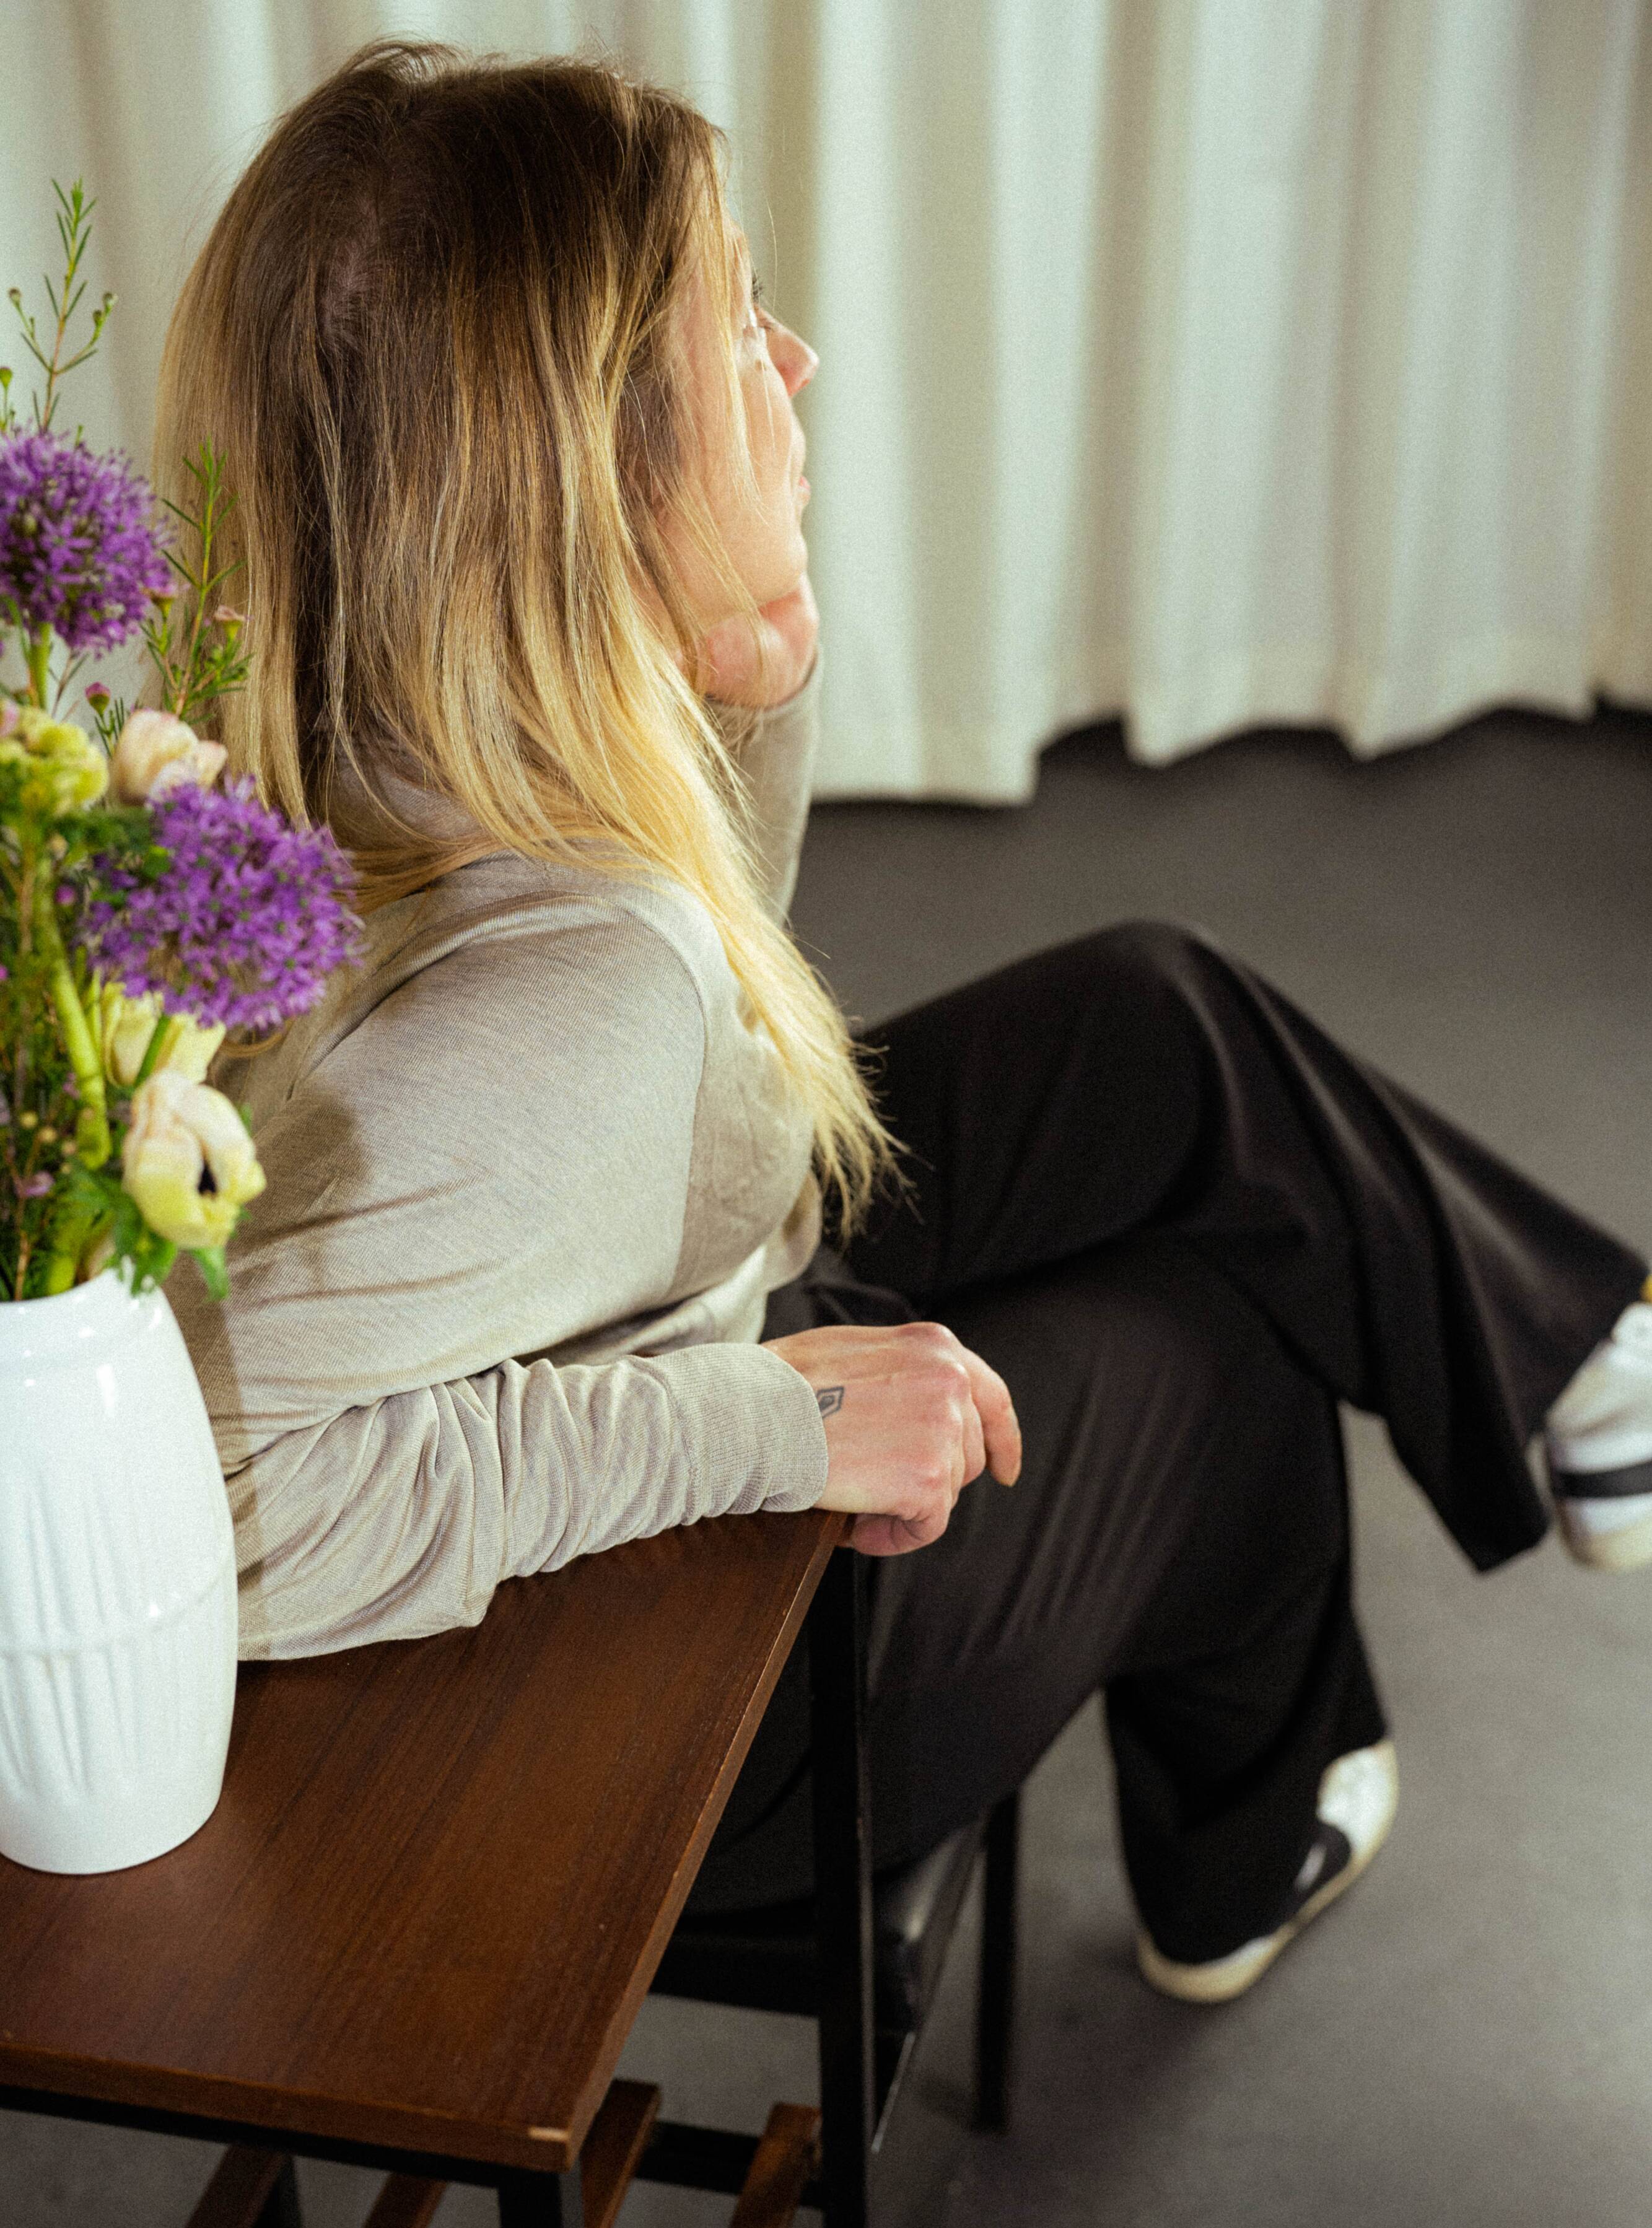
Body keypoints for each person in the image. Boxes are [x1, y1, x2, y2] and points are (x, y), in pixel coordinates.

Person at [158, 41, 1652, 2006]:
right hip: (633, 1730)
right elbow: (227, 1504)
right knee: (1222, 1346)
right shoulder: (568, 1009)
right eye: (735, 332)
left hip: (645, 1305)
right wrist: (766, 1422)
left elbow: (683, 1033)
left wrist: (754, 669)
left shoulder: (356, 719)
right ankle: (1242, 1848)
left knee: (1151, 1019)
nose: (793, 367)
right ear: (591, 474)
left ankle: (1580, 1364)